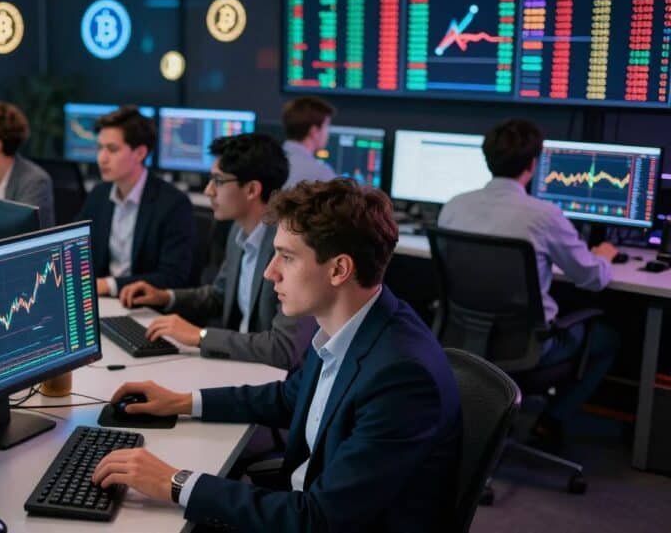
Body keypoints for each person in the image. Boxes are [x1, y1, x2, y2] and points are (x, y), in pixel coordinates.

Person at [92, 179, 461, 532]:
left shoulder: (400, 377)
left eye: (286, 257)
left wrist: (174, 482)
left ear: (339, 269)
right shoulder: (346, 324)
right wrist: (182, 402)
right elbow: (289, 397)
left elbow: (317, 520)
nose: (271, 273)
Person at [438, 118, 619, 448]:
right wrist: (605, 256)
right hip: (527, 349)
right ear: (534, 164)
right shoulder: (544, 215)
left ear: (487, 157)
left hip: (464, 337)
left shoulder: (454, 205)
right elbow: (592, 279)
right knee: (607, 339)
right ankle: (552, 421)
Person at [117, 132, 304, 370]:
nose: (208, 191)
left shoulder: (288, 249)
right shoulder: (239, 231)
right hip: (240, 366)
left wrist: (201, 336)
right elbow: (220, 295)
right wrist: (164, 296)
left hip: (272, 378)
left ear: (251, 190)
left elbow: (283, 348)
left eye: (218, 181)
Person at [76, 105, 194, 296]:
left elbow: (173, 276)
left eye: (112, 150)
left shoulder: (173, 204)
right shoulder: (99, 195)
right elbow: (77, 252)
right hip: (101, 301)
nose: (101, 158)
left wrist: (110, 285)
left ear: (140, 153)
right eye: (100, 148)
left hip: (148, 308)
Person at [281, 96, 337, 188]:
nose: (327, 133)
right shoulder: (321, 174)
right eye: (326, 126)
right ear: (314, 131)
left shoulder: (270, 161)